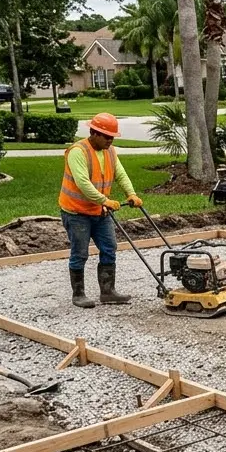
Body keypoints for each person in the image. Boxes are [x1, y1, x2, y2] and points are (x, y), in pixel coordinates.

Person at [58, 112, 141, 308]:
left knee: (109, 248)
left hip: (100, 212)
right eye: (107, 136)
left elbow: (120, 173)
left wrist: (132, 194)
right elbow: (83, 183)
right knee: (80, 253)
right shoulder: (78, 151)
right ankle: (78, 294)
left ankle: (108, 292)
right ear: (94, 133)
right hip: (76, 212)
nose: (110, 140)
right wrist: (105, 200)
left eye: (112, 137)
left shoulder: (110, 151)